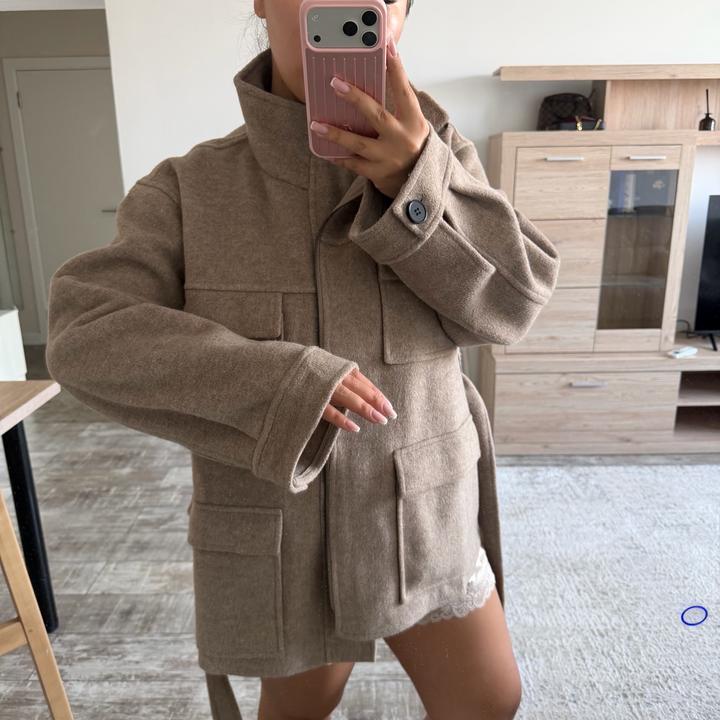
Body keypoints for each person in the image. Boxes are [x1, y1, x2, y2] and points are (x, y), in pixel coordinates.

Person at [46, 1, 561, 718]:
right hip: (284, 534)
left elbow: (515, 303)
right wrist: (278, 385)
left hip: (424, 513)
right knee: (296, 712)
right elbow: (84, 333)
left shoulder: (445, 162)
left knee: (488, 701)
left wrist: (417, 188)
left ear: (400, 21)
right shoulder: (189, 191)